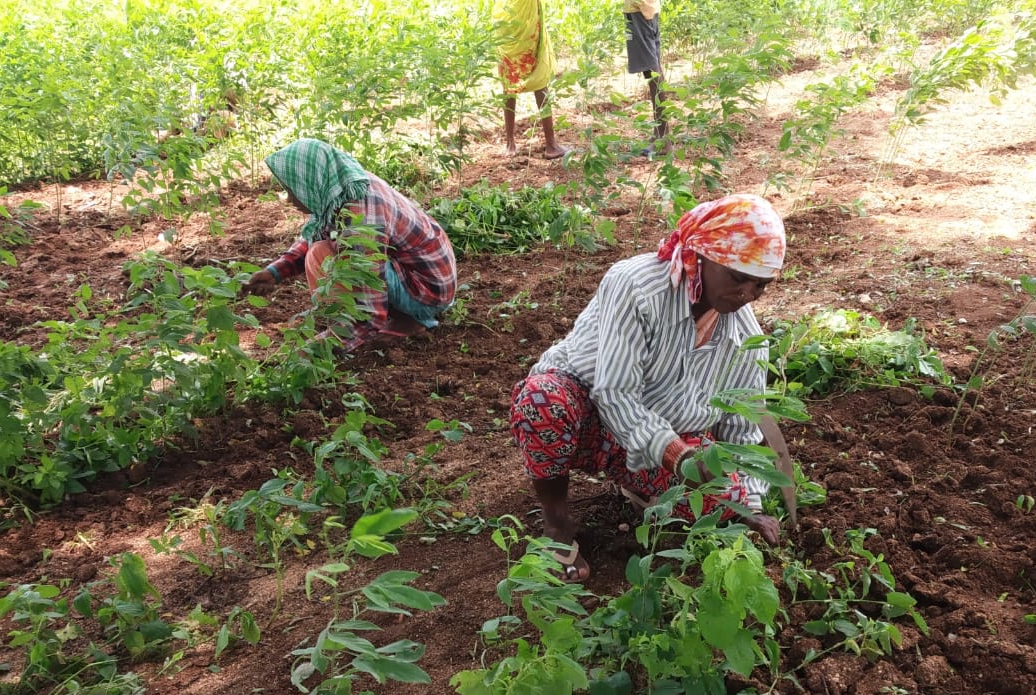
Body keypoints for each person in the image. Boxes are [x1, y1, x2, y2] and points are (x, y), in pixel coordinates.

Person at [509, 194, 786, 582]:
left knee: (723, 497)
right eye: (738, 277)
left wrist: (748, 504)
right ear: (701, 256)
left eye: (760, 287)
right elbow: (615, 394)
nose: (746, 295)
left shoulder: (744, 336)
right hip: (588, 417)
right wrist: (680, 457)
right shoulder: (637, 287)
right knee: (543, 401)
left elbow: (740, 430)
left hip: (660, 444)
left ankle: (641, 487)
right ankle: (556, 527)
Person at [243, 139, 457, 354]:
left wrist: (321, 348)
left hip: (427, 290)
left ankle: (409, 319)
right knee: (323, 249)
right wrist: (274, 272)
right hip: (420, 275)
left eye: (292, 190)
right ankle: (401, 317)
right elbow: (317, 232)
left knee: (325, 256)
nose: (289, 199)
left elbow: (370, 305)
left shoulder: (361, 215)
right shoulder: (341, 185)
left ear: (310, 181)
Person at [493, 0, 569, 159]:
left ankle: (510, 144)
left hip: (503, 15)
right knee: (539, 76)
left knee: (509, 78)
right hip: (526, 17)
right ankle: (551, 145)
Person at [624, 0, 667, 155]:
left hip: (639, 10)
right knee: (652, 70)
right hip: (643, 9)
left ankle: (663, 137)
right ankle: (660, 133)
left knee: (652, 71)